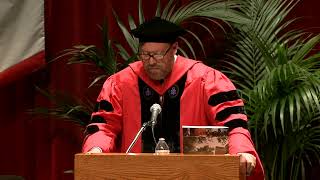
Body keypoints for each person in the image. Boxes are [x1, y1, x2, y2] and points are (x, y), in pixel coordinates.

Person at [82, 17, 264, 179]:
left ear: (174, 49)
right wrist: (95, 149)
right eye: (145, 55)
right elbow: (104, 126)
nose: (151, 62)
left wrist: (241, 151)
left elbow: (232, 124)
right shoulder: (121, 83)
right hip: (136, 175)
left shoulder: (206, 80)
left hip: (195, 174)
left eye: (158, 55)